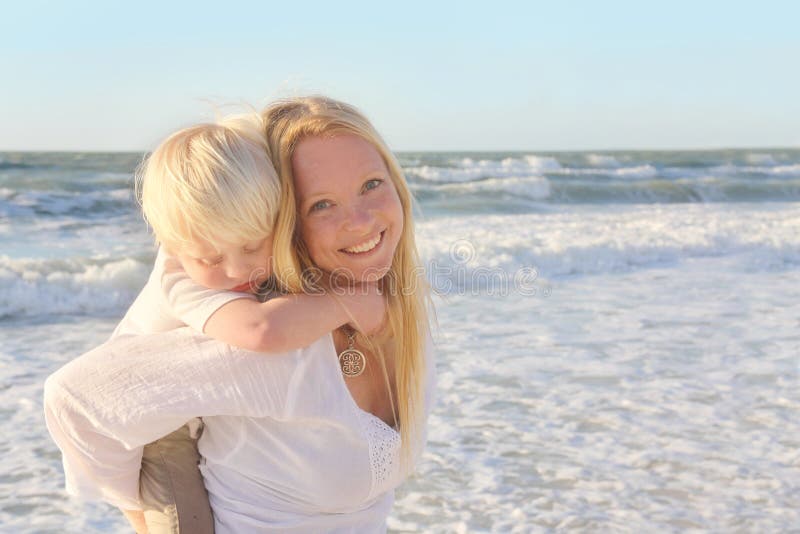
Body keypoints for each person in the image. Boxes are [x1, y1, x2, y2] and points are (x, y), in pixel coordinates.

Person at [44, 96, 436, 533]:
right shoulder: (269, 339)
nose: (362, 221)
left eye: (371, 184)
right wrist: (134, 510)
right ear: (285, 221)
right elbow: (73, 399)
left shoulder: (398, 305)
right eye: (320, 205)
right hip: (163, 448)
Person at [104, 113, 386, 532]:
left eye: (253, 245)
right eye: (211, 259)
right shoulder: (180, 282)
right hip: (152, 430)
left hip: (187, 403)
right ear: (173, 246)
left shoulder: (222, 251)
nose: (238, 271)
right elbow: (261, 330)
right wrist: (348, 300)